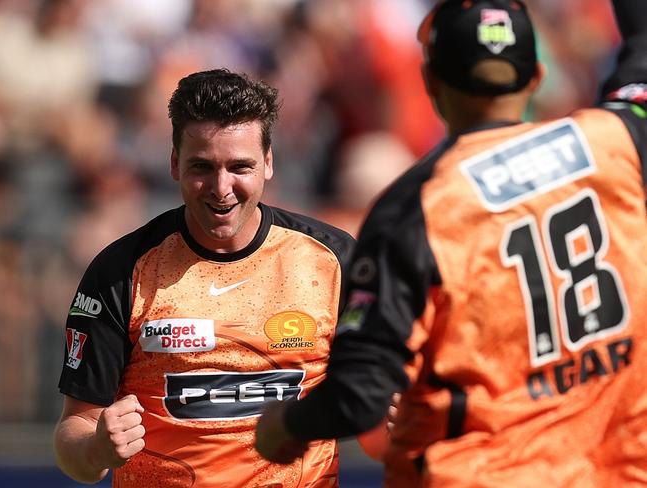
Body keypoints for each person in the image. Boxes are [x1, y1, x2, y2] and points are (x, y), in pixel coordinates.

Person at [255, 0, 647, 486]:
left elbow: (360, 394)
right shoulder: (616, 140)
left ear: (431, 82)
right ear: (537, 77)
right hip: (617, 469)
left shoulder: (416, 207)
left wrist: (286, 427)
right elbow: (642, 56)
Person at [53, 68, 359, 487]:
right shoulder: (121, 270)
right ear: (175, 163)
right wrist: (96, 449)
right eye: (202, 166)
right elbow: (74, 434)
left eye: (240, 166)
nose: (221, 187)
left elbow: (384, 410)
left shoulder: (334, 260)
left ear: (268, 163)